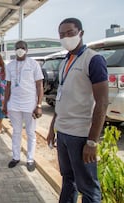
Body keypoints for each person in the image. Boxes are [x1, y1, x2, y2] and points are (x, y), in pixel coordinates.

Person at [47, 18, 108, 203]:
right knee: (68, 180)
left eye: (70, 33)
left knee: (88, 189)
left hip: (80, 136)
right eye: (62, 35)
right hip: (64, 132)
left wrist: (91, 142)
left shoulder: (93, 59)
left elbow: (102, 102)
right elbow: (61, 97)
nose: (66, 37)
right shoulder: (65, 61)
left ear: (81, 33)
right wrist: (52, 128)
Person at [3, 40, 44, 172]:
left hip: (30, 104)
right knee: (16, 132)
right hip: (14, 104)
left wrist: (39, 105)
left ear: (27, 49)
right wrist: (5, 104)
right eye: (17, 48)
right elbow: (8, 86)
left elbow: (39, 85)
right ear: (14, 49)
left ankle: (30, 159)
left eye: (22, 48)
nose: (20, 49)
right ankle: (16, 157)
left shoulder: (33, 64)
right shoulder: (9, 66)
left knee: (31, 132)